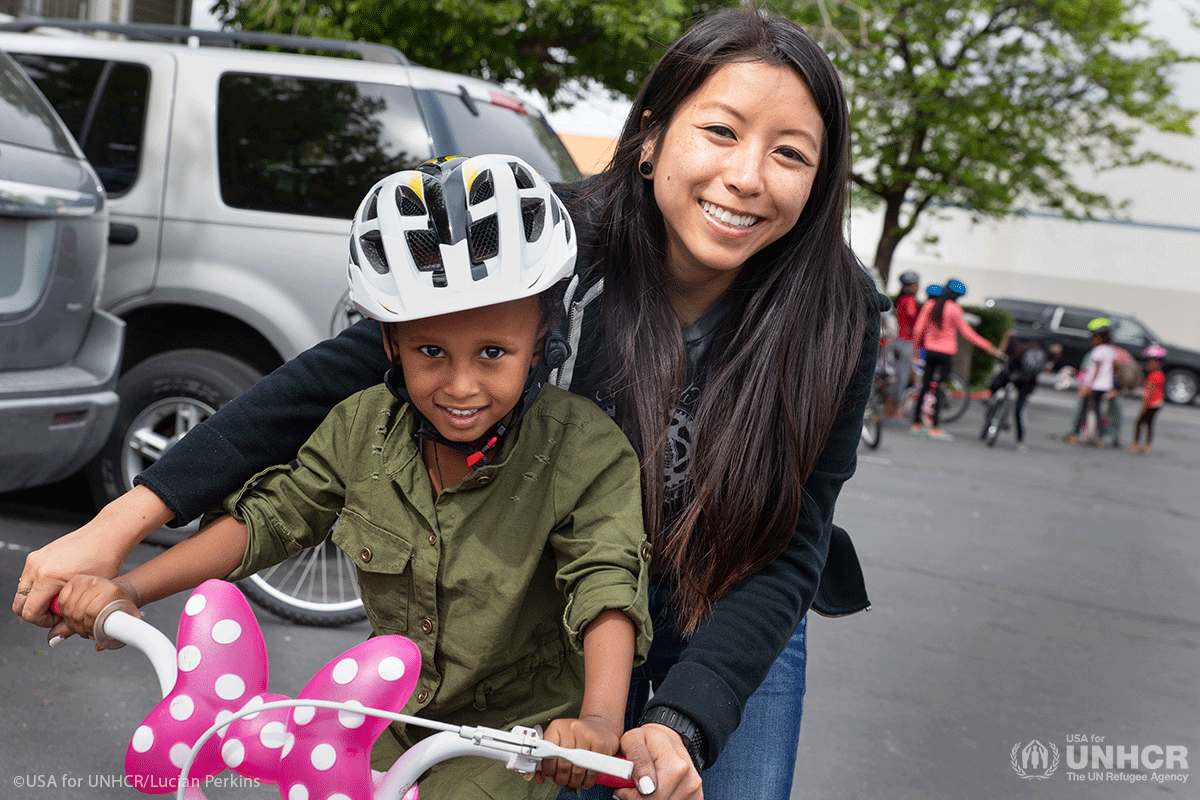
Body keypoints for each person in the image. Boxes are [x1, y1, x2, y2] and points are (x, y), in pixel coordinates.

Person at [14, 9, 884, 800]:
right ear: (651, 135)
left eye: (789, 153)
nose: (745, 176)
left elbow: (792, 538)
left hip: (726, 603)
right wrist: (122, 523)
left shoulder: (838, 319)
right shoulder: (547, 245)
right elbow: (332, 378)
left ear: (819, 179)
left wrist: (687, 718)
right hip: (541, 622)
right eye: (721, 132)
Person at [47, 156, 653, 798]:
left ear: (544, 335)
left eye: (493, 353)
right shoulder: (360, 427)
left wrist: (596, 722)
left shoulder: (585, 449)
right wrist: (130, 590)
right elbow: (270, 519)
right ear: (389, 343)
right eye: (430, 352)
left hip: (508, 748)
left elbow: (605, 583)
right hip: (376, 730)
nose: (461, 385)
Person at [910, 278, 1001, 441]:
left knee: (924, 387)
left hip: (930, 351)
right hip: (946, 353)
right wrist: (988, 347)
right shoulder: (955, 309)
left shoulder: (930, 305)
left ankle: (916, 423)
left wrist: (916, 350)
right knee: (940, 388)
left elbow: (918, 329)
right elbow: (968, 333)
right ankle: (934, 426)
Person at [983, 329, 1062, 452]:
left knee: (1019, 408)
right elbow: (1008, 335)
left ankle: (1020, 439)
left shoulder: (1041, 353)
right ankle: (991, 404)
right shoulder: (1019, 349)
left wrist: (1051, 362)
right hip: (1016, 374)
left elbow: (1057, 350)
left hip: (1026, 379)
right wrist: (1001, 349)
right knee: (999, 389)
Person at [1066, 318, 1119, 447]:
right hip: (1105, 386)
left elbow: (1095, 370)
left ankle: (1075, 435)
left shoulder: (1098, 351)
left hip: (1094, 385)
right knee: (1098, 411)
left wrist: (1087, 385)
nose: (1092, 339)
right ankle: (1101, 438)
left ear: (1099, 338)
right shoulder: (1111, 350)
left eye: (1094, 337)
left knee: (1083, 410)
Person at [885, 270, 921, 418]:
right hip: (906, 342)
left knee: (899, 376)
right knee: (902, 377)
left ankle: (893, 410)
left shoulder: (900, 299)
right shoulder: (910, 301)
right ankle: (892, 412)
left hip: (897, 341)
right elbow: (914, 321)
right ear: (912, 285)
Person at [1132, 344, 1167, 454]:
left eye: (1149, 362)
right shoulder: (1160, 375)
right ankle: (1147, 446)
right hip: (1158, 403)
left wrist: (1143, 407)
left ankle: (1136, 445)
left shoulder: (1153, 376)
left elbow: (1149, 393)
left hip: (1150, 404)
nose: (1148, 364)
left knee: (1139, 423)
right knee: (1149, 424)